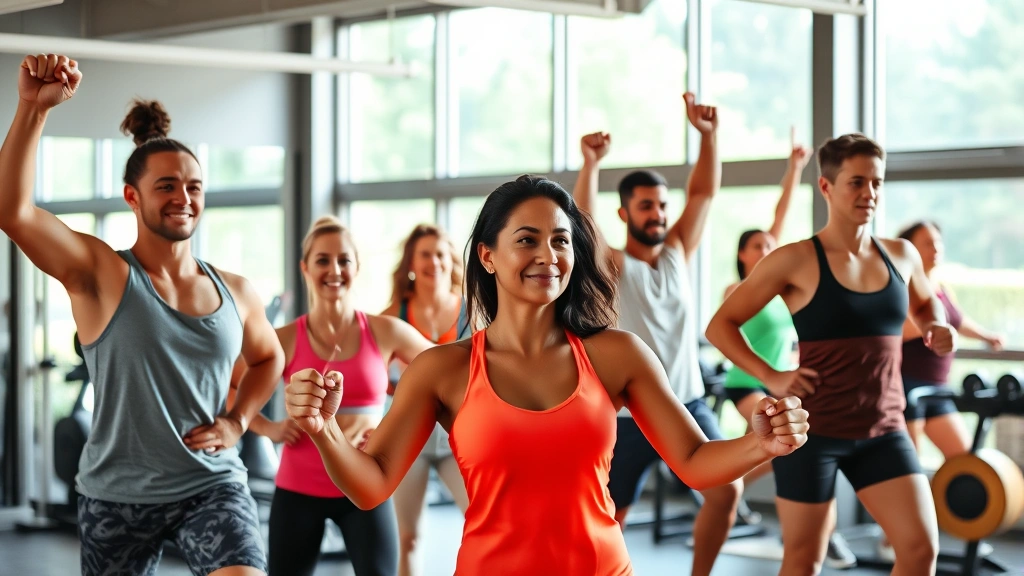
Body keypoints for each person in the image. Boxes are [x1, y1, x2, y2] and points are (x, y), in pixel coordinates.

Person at [285, 176, 810, 576]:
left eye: (561, 241)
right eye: (528, 240)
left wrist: (760, 444)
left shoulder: (617, 354)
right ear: (488, 256)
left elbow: (694, 462)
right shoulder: (442, 369)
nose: (548, 256)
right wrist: (323, 428)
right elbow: (371, 486)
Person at [0, 55, 283, 576]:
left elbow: (268, 358)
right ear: (133, 197)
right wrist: (32, 109)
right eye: (167, 186)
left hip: (211, 483)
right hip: (116, 495)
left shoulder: (236, 292)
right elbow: (13, 211)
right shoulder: (100, 274)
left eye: (194, 186)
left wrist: (238, 421)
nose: (184, 197)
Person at [706, 133, 956, 576]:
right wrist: (774, 377)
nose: (869, 193)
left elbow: (925, 301)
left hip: (884, 428)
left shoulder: (902, 254)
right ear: (826, 187)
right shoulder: (795, 260)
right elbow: (720, 326)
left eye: (876, 182)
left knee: (920, 552)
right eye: (856, 182)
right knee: (804, 560)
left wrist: (936, 323)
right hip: (811, 434)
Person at [573, 93, 735, 576]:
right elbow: (582, 220)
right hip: (629, 412)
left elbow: (704, 194)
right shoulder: (613, 264)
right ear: (624, 214)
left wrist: (709, 136)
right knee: (610, 518)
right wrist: (591, 164)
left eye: (662, 205)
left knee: (727, 491)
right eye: (646, 207)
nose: (658, 214)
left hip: (686, 401)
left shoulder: (677, 252)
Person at [229, 216, 434, 576]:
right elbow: (228, 384)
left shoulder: (385, 331)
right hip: (298, 487)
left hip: (365, 486)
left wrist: (390, 431)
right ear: (305, 268)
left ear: (356, 266)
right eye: (323, 260)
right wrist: (267, 427)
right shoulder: (285, 338)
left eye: (344, 260)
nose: (334, 269)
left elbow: (443, 370)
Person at [721, 137, 858, 569]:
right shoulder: (737, 291)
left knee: (795, 447)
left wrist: (793, 171)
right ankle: (731, 485)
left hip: (784, 378)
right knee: (780, 445)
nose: (766, 250)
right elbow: (726, 330)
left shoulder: (780, 283)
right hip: (745, 380)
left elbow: (779, 219)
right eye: (757, 247)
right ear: (743, 256)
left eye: (769, 246)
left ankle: (812, 531)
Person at [382, 224, 470, 576]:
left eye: (441, 253)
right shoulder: (393, 315)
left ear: (451, 260)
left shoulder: (472, 310)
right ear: (411, 265)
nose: (435, 261)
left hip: (458, 437)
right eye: (425, 254)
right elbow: (375, 383)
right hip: (409, 439)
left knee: (483, 521)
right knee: (409, 538)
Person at [898, 220, 1004, 455]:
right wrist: (931, 320)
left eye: (938, 242)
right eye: (927, 243)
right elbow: (898, 330)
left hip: (937, 388)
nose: (935, 248)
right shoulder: (904, 288)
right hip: (907, 388)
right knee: (910, 465)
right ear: (910, 249)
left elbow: (959, 320)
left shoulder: (942, 288)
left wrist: (986, 336)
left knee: (964, 458)